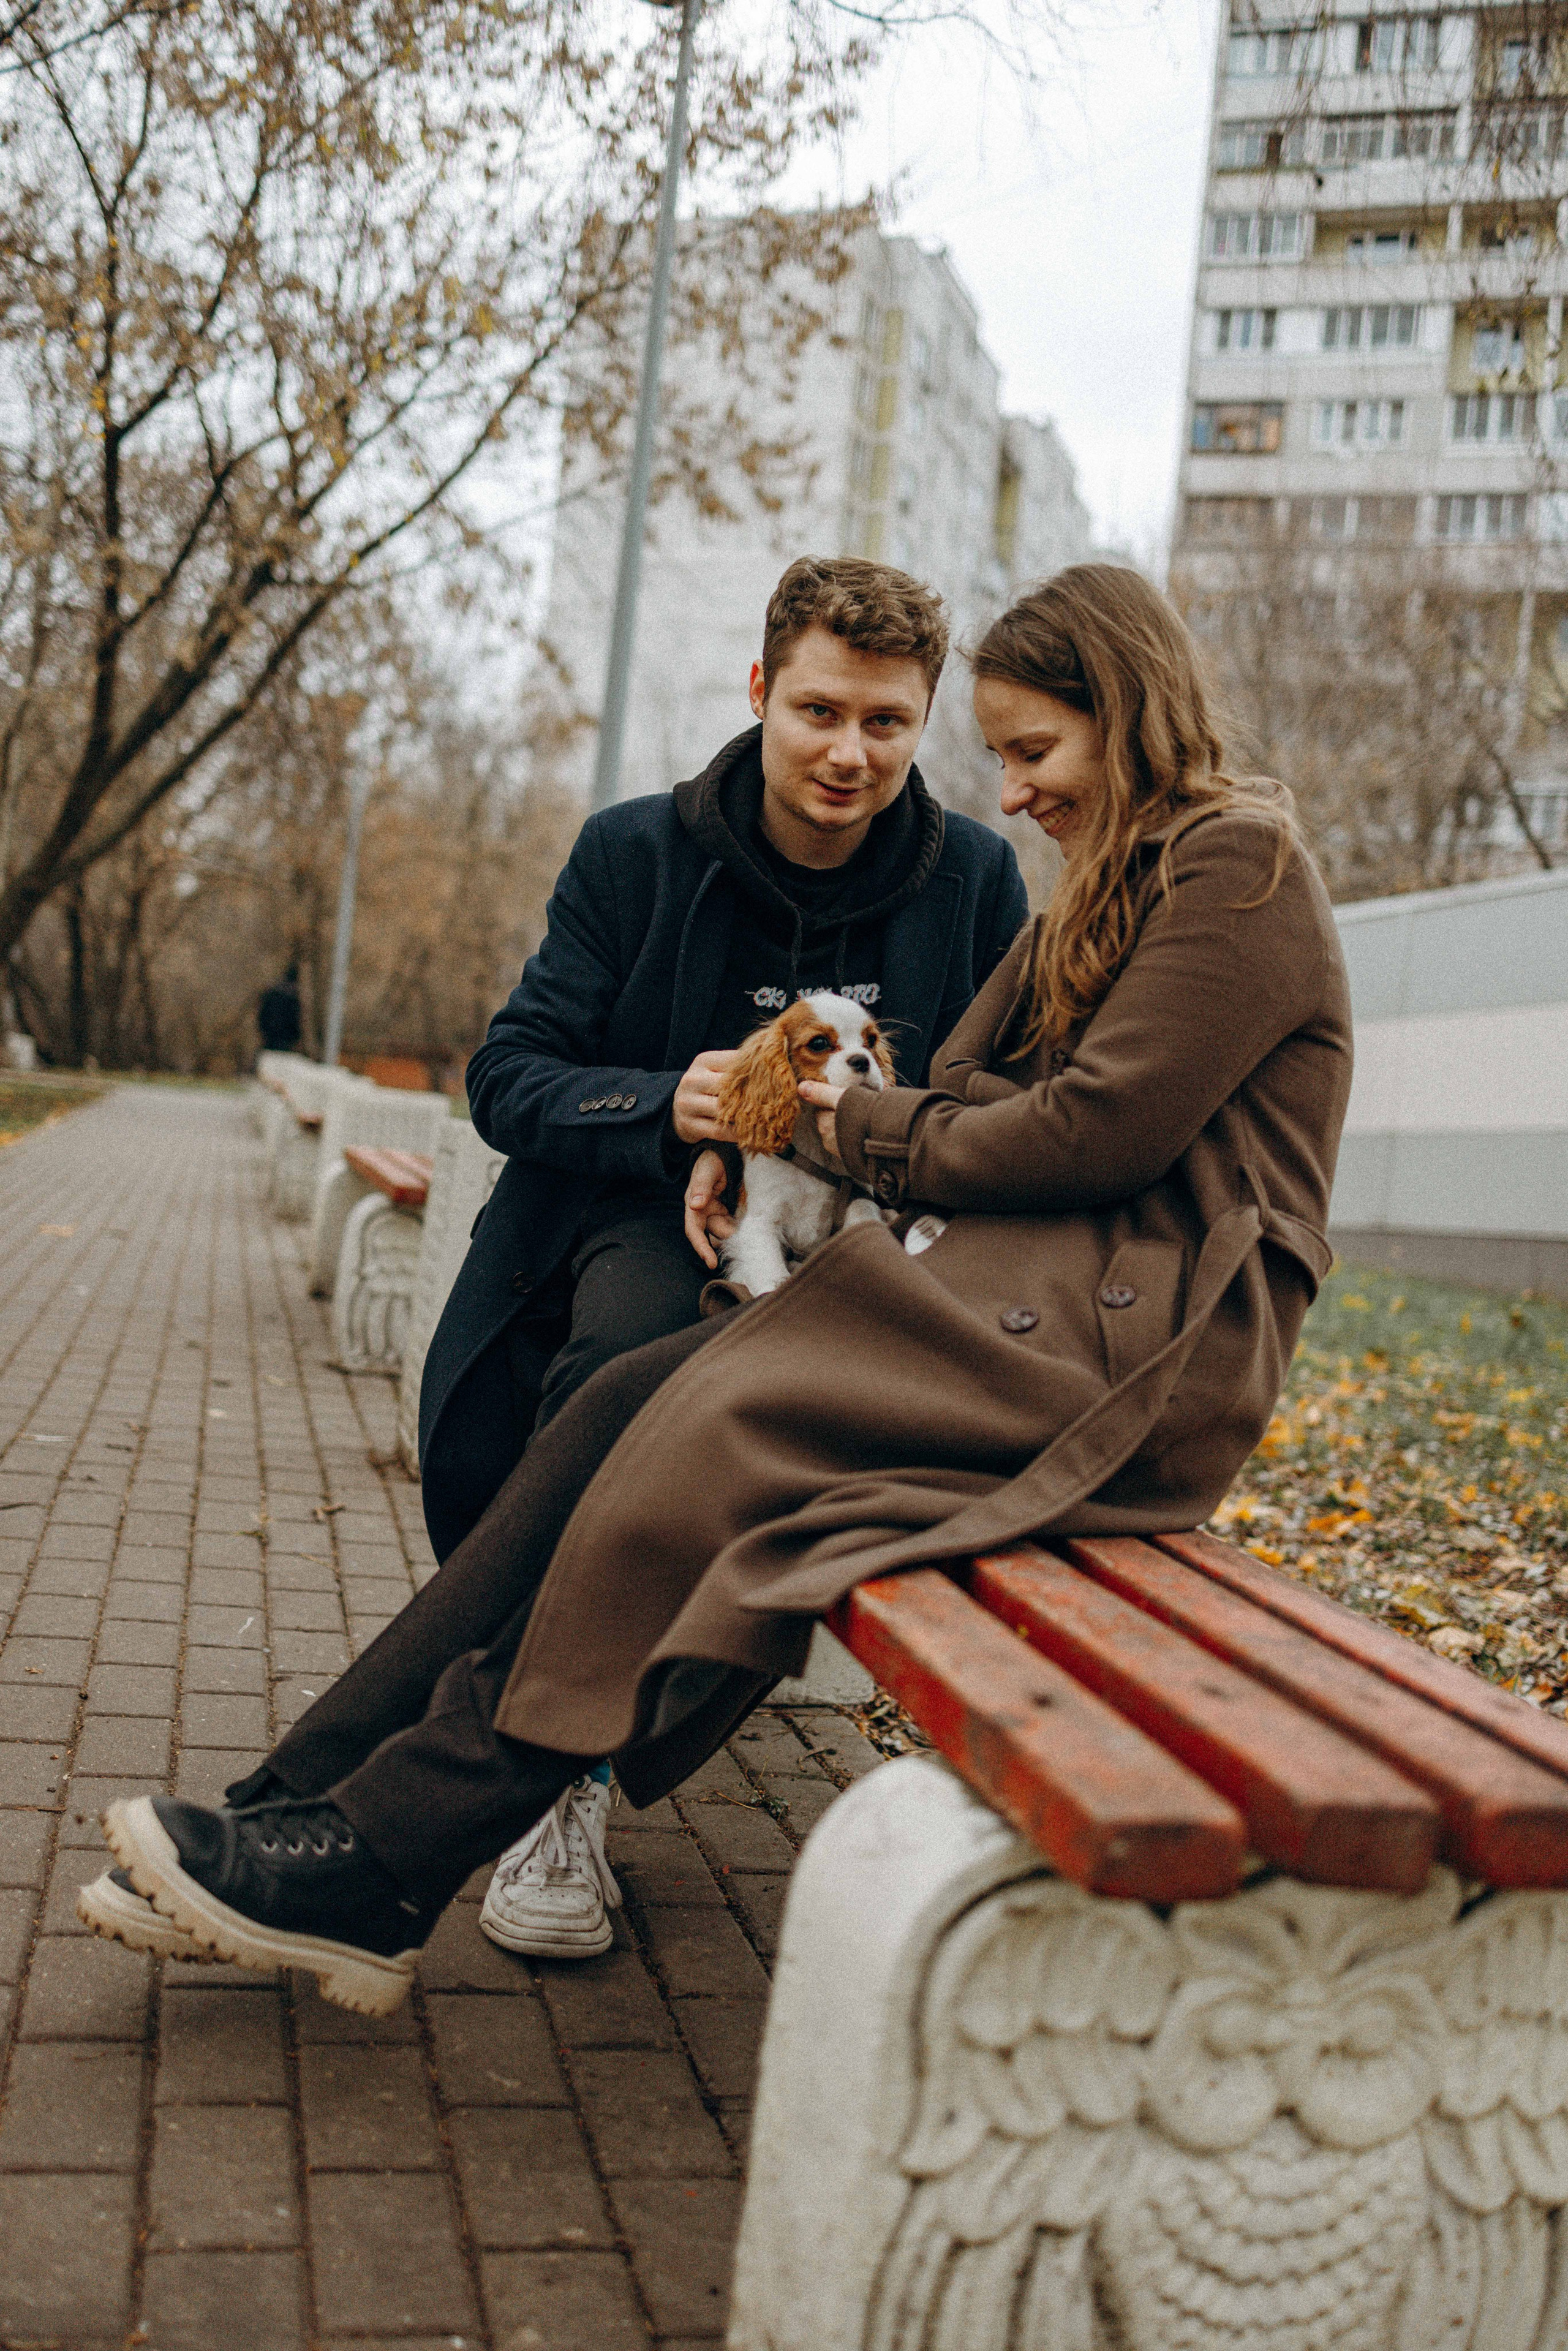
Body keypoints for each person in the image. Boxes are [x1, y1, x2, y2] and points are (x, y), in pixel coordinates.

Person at [81, 565, 1354, 2018]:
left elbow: (1084, 1133)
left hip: (1127, 1357)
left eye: (1030, 751)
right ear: (761, 700)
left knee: (708, 1434)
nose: (1006, 793)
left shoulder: (1232, 870)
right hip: (1015, 1304)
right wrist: (766, 1140)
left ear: (1121, 716)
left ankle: (376, 1860)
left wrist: (807, 1127)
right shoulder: (1109, 884)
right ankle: (290, 1811)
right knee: (624, 1400)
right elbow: (965, 1093)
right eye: (996, 757)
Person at [256, 964, 303, 1055]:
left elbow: (263, 1014)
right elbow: (294, 1018)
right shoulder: (293, 996)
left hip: (270, 1036)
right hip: (285, 1038)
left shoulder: (272, 993)